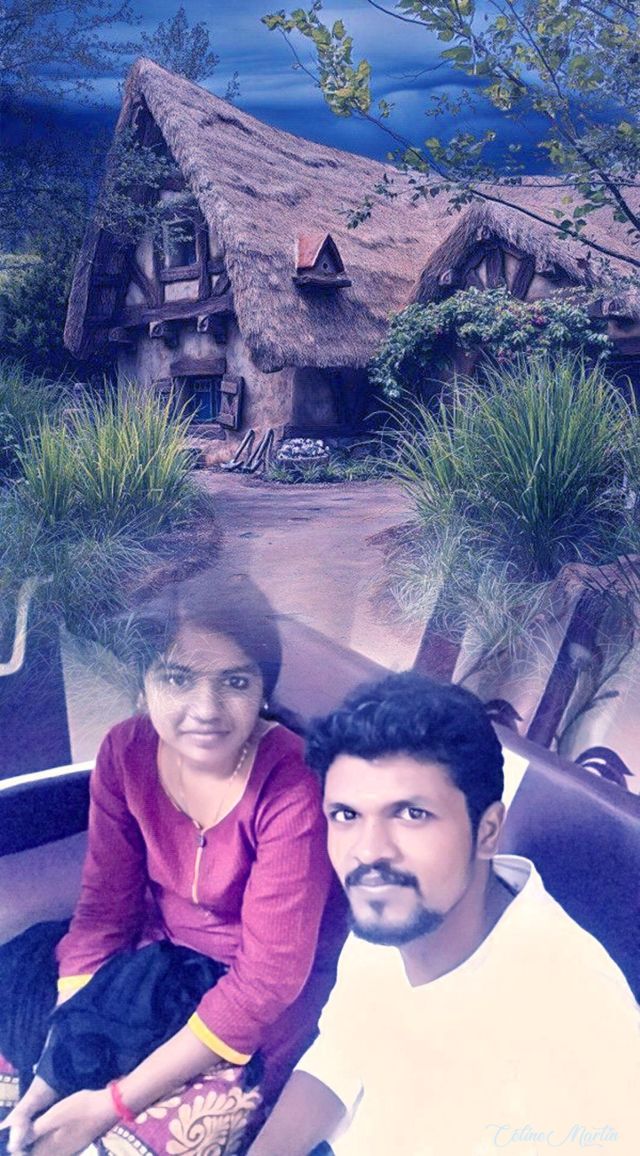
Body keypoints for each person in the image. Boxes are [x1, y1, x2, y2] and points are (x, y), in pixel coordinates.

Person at [0, 570, 346, 1156]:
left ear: (264, 689)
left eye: (235, 681)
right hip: (151, 964)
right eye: (177, 678)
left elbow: (267, 982)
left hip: (253, 1003)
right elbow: (104, 912)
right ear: (142, 683)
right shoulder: (125, 752)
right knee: (22, 1067)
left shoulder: (293, 787)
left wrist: (109, 1103)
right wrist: (63, 1050)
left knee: (114, 1144)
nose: (205, 710)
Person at [247, 672, 640, 1156]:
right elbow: (342, 1050)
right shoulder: (394, 907)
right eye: (347, 815)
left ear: (488, 831)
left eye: (412, 814)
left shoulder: (583, 1033)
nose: (368, 851)